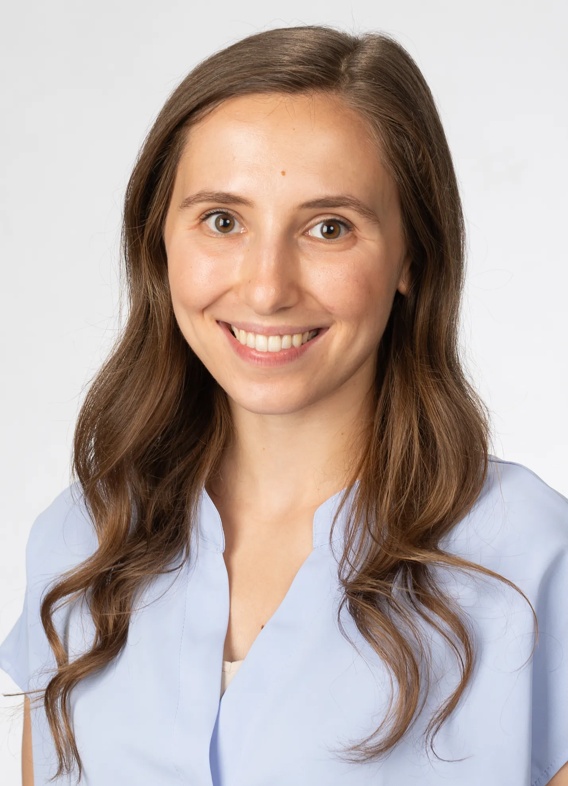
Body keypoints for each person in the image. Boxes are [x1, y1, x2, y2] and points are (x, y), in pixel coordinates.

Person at [1, 24, 567, 786]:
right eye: (222, 221)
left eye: (329, 228)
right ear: (160, 242)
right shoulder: (81, 544)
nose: (267, 287)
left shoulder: (531, 562)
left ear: (412, 255)